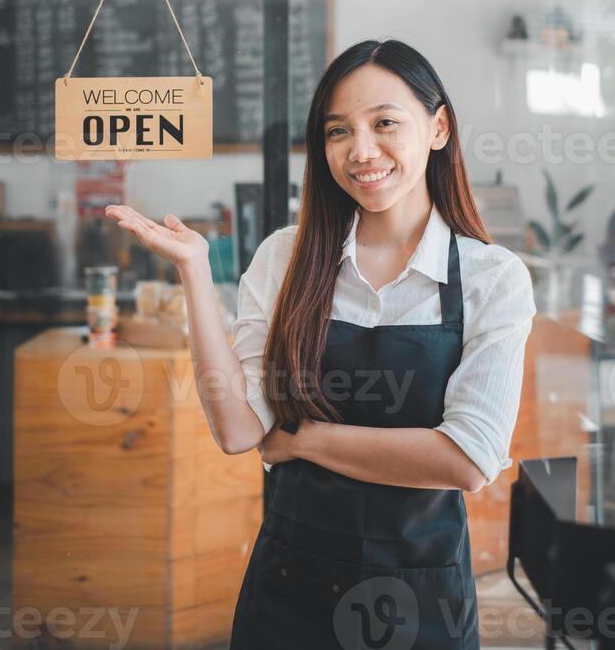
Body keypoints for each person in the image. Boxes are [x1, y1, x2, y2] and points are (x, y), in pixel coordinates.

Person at [105, 38, 537, 650]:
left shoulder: (493, 278)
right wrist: (194, 272)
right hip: (289, 589)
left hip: (421, 598)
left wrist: (303, 438)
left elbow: (466, 459)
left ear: (438, 127)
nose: (361, 151)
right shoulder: (285, 256)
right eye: (337, 132)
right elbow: (237, 430)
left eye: (385, 123)